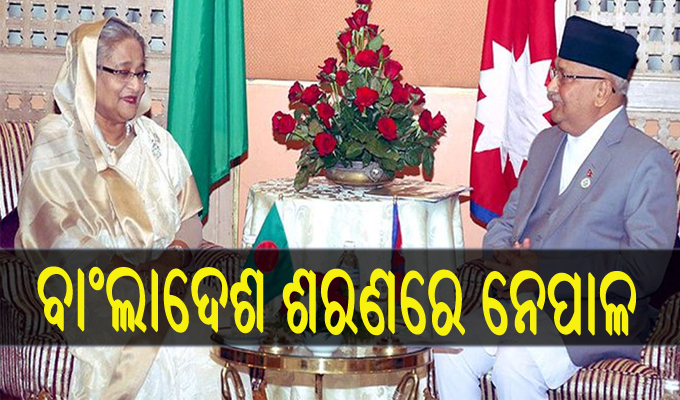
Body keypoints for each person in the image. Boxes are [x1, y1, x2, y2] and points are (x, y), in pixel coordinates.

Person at [434, 16, 677, 400]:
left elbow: (645, 270)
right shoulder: (545, 144)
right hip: (521, 303)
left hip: (597, 315)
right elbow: (505, 223)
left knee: (516, 362)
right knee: (450, 351)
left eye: (564, 76)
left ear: (602, 90)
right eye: (554, 73)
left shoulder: (646, 161)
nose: (551, 87)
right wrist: (505, 256)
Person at [15, 18, 221, 399]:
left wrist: (173, 256)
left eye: (140, 73)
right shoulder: (56, 144)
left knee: (221, 339)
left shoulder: (157, 142)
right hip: (92, 289)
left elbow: (190, 219)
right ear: (89, 73)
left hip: (166, 282)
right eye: (123, 72)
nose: (136, 85)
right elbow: (56, 237)